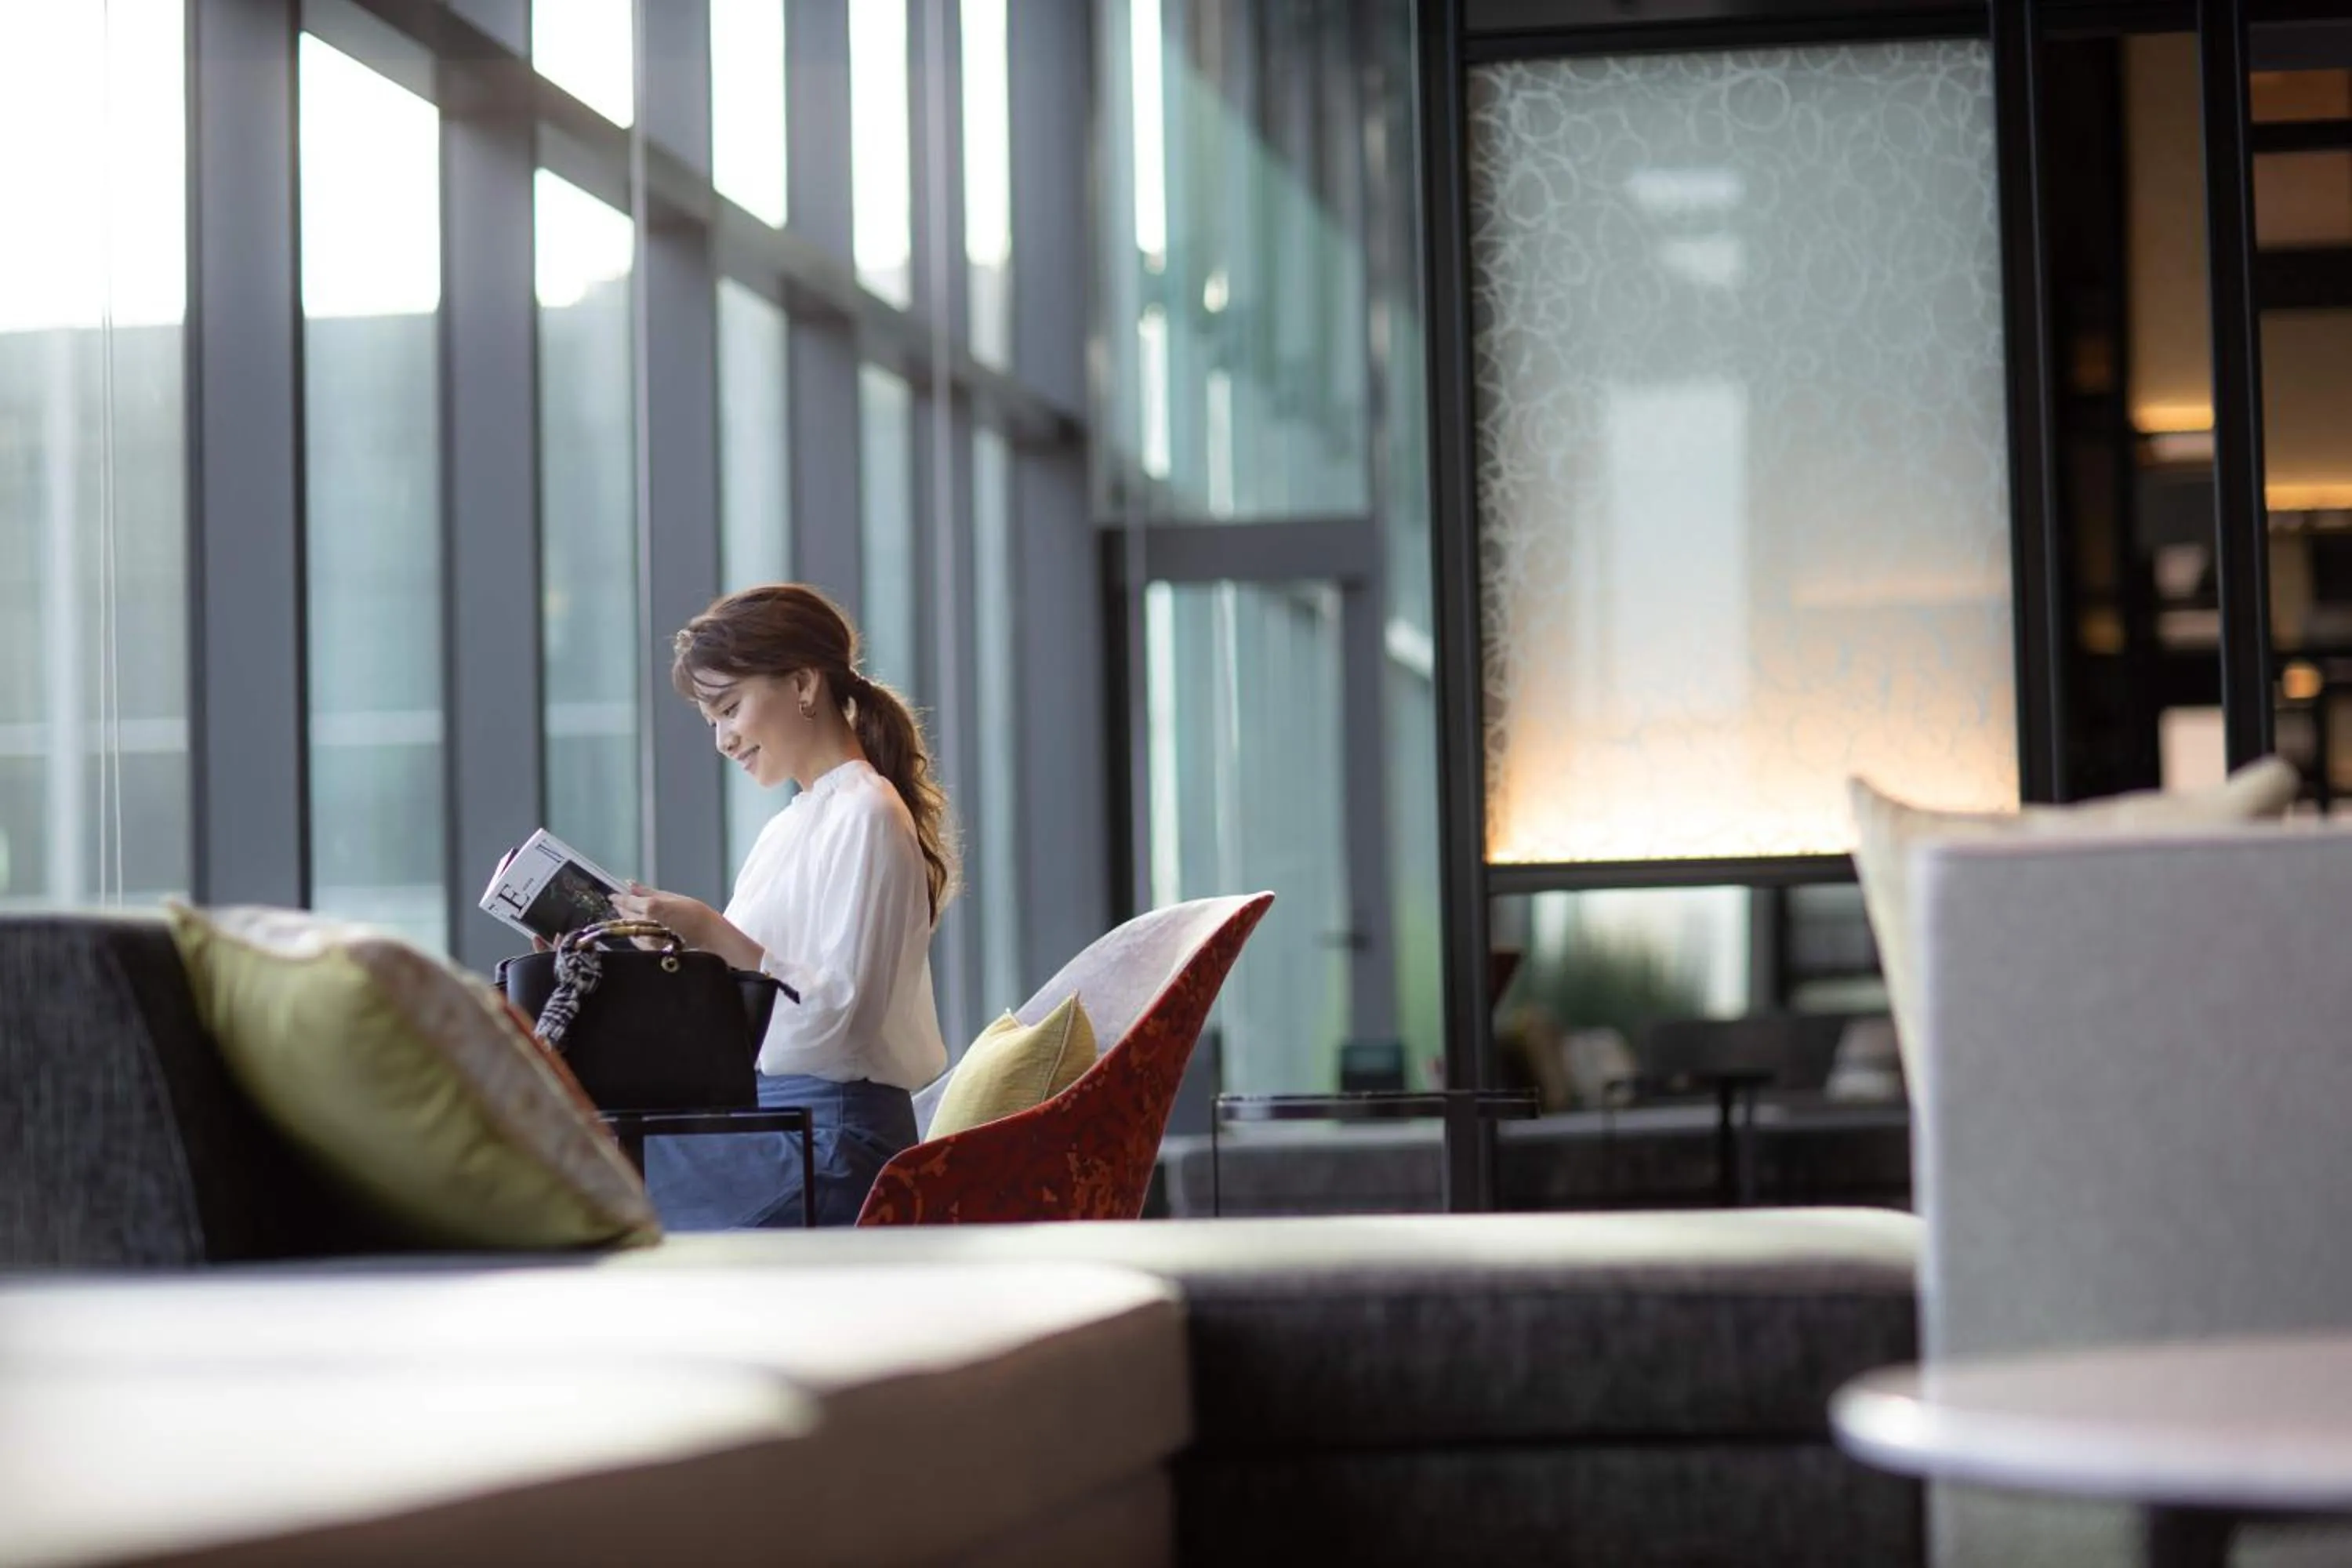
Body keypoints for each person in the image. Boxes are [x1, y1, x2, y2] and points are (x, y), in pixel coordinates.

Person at [613, 583, 956, 1228]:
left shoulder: (868, 814)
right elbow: (754, 1010)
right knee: (595, 1165)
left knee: (602, 1186)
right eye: (710, 719)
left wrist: (714, 932)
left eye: (730, 708)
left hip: (833, 1144)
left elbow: (839, 1022)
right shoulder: (793, 826)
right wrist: (674, 948)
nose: (721, 740)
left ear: (802, 683)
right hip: (780, 1127)